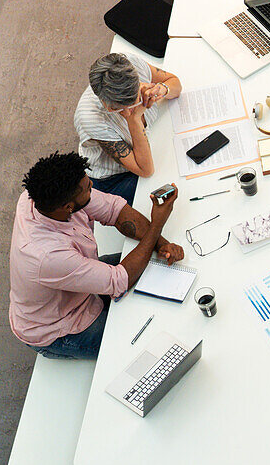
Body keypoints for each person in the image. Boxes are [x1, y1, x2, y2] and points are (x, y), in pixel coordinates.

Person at [9, 152, 185, 359]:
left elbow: (115, 211)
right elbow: (120, 280)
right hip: (63, 326)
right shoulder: (46, 255)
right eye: (87, 188)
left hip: (74, 280)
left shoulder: (42, 198)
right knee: (145, 343)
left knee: (155, 265)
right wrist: (157, 224)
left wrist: (163, 246)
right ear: (68, 207)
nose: (92, 185)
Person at [73, 52, 181, 205]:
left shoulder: (129, 64)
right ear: (105, 103)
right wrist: (134, 119)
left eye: (134, 102)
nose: (128, 111)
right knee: (173, 194)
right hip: (113, 178)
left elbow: (175, 84)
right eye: (119, 109)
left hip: (149, 148)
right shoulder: (91, 118)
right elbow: (145, 170)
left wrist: (162, 89)